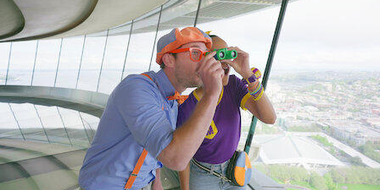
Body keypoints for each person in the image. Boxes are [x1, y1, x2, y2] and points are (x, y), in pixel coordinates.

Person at [78, 27, 226, 190]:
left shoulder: (171, 99)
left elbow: (156, 141)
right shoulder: (137, 88)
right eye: (196, 53)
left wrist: (156, 181)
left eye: (206, 55)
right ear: (169, 60)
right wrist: (211, 94)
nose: (205, 62)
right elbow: (176, 159)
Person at [177, 35, 277, 190]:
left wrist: (248, 75)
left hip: (233, 170)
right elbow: (183, 156)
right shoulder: (187, 108)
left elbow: (269, 118)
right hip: (202, 174)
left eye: (226, 55)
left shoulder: (233, 87)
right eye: (216, 56)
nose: (224, 64)